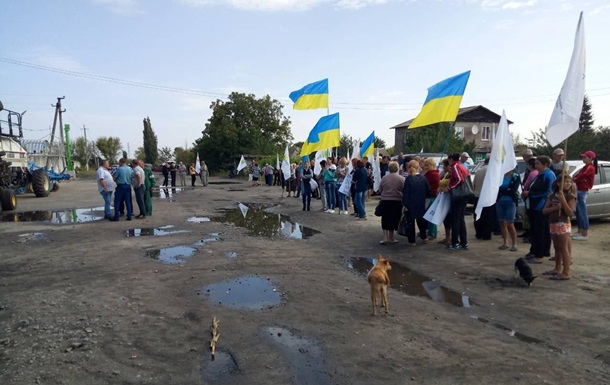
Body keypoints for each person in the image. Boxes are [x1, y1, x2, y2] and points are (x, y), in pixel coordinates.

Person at [542, 175, 576, 280]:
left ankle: (566, 272)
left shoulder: (570, 196)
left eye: (569, 182)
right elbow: (544, 210)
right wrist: (555, 208)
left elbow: (570, 213)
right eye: (565, 181)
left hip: (563, 223)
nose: (568, 184)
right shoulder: (552, 196)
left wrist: (563, 201)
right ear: (558, 183)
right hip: (553, 222)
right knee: (557, 247)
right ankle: (557, 268)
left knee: (563, 248)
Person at [526, 155, 556, 263]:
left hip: (541, 206)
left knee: (540, 231)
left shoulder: (549, 175)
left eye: (538, 163)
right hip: (533, 206)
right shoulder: (539, 174)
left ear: (545, 165)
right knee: (535, 230)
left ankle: (540, 254)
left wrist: (531, 194)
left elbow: (549, 192)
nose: (535, 165)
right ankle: (535, 250)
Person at [443, 153, 470, 250]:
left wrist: (450, 187)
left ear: (450, 159)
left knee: (455, 219)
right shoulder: (461, 166)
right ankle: (464, 242)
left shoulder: (455, 166)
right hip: (464, 195)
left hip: (458, 196)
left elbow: (459, 179)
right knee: (461, 219)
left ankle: (455, 243)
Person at [402, 160, 430, 246]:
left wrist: (405, 204)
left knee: (410, 223)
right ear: (418, 168)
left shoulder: (408, 179)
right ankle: (424, 237)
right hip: (421, 202)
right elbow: (428, 190)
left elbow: (406, 193)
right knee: (421, 221)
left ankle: (412, 241)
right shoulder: (423, 178)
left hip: (410, 204)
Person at [572, 151, 597, 240]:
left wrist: (574, 179)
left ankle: (584, 233)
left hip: (583, 190)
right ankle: (580, 231)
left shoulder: (590, 167)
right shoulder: (586, 166)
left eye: (585, 157)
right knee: (578, 212)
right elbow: (578, 175)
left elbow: (581, 176)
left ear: (590, 158)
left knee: (582, 212)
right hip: (579, 190)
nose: (583, 158)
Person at [378, 161, 404, 245]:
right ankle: (391, 237)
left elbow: (380, 189)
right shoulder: (402, 178)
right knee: (394, 219)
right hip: (397, 201)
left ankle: (385, 238)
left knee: (385, 219)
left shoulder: (384, 178)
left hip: (385, 200)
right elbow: (404, 190)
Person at [496, 169, 521, 251]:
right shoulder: (500, 176)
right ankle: (505, 242)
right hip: (500, 201)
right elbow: (496, 188)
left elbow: (513, 190)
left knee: (510, 223)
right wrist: (507, 190)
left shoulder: (515, 177)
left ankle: (514, 243)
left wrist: (505, 190)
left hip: (510, 202)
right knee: (502, 222)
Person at [473, 157, 492, 240]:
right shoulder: (491, 171)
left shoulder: (478, 171)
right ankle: (486, 234)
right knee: (487, 217)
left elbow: (474, 184)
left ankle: (478, 233)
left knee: (478, 215)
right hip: (487, 197)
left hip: (477, 195)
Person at [519, 149, 535, 238]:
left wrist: (525, 188)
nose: (524, 159)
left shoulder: (533, 166)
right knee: (527, 214)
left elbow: (529, 181)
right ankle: (527, 231)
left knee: (529, 214)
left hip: (529, 193)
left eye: (524, 157)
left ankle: (530, 233)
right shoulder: (528, 166)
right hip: (526, 192)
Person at [422, 158, 440, 240]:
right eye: (425, 165)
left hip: (431, 197)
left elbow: (433, 187)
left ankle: (432, 233)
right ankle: (430, 232)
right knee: (428, 216)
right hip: (429, 197)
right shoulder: (430, 173)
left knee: (430, 216)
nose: (426, 167)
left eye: (427, 165)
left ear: (432, 165)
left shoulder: (433, 174)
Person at [438, 159, 452, 245]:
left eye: (444, 165)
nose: (443, 167)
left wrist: (443, 189)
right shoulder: (445, 174)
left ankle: (449, 237)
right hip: (443, 198)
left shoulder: (451, 175)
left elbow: (450, 187)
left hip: (449, 198)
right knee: (445, 219)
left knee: (449, 218)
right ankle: (447, 237)